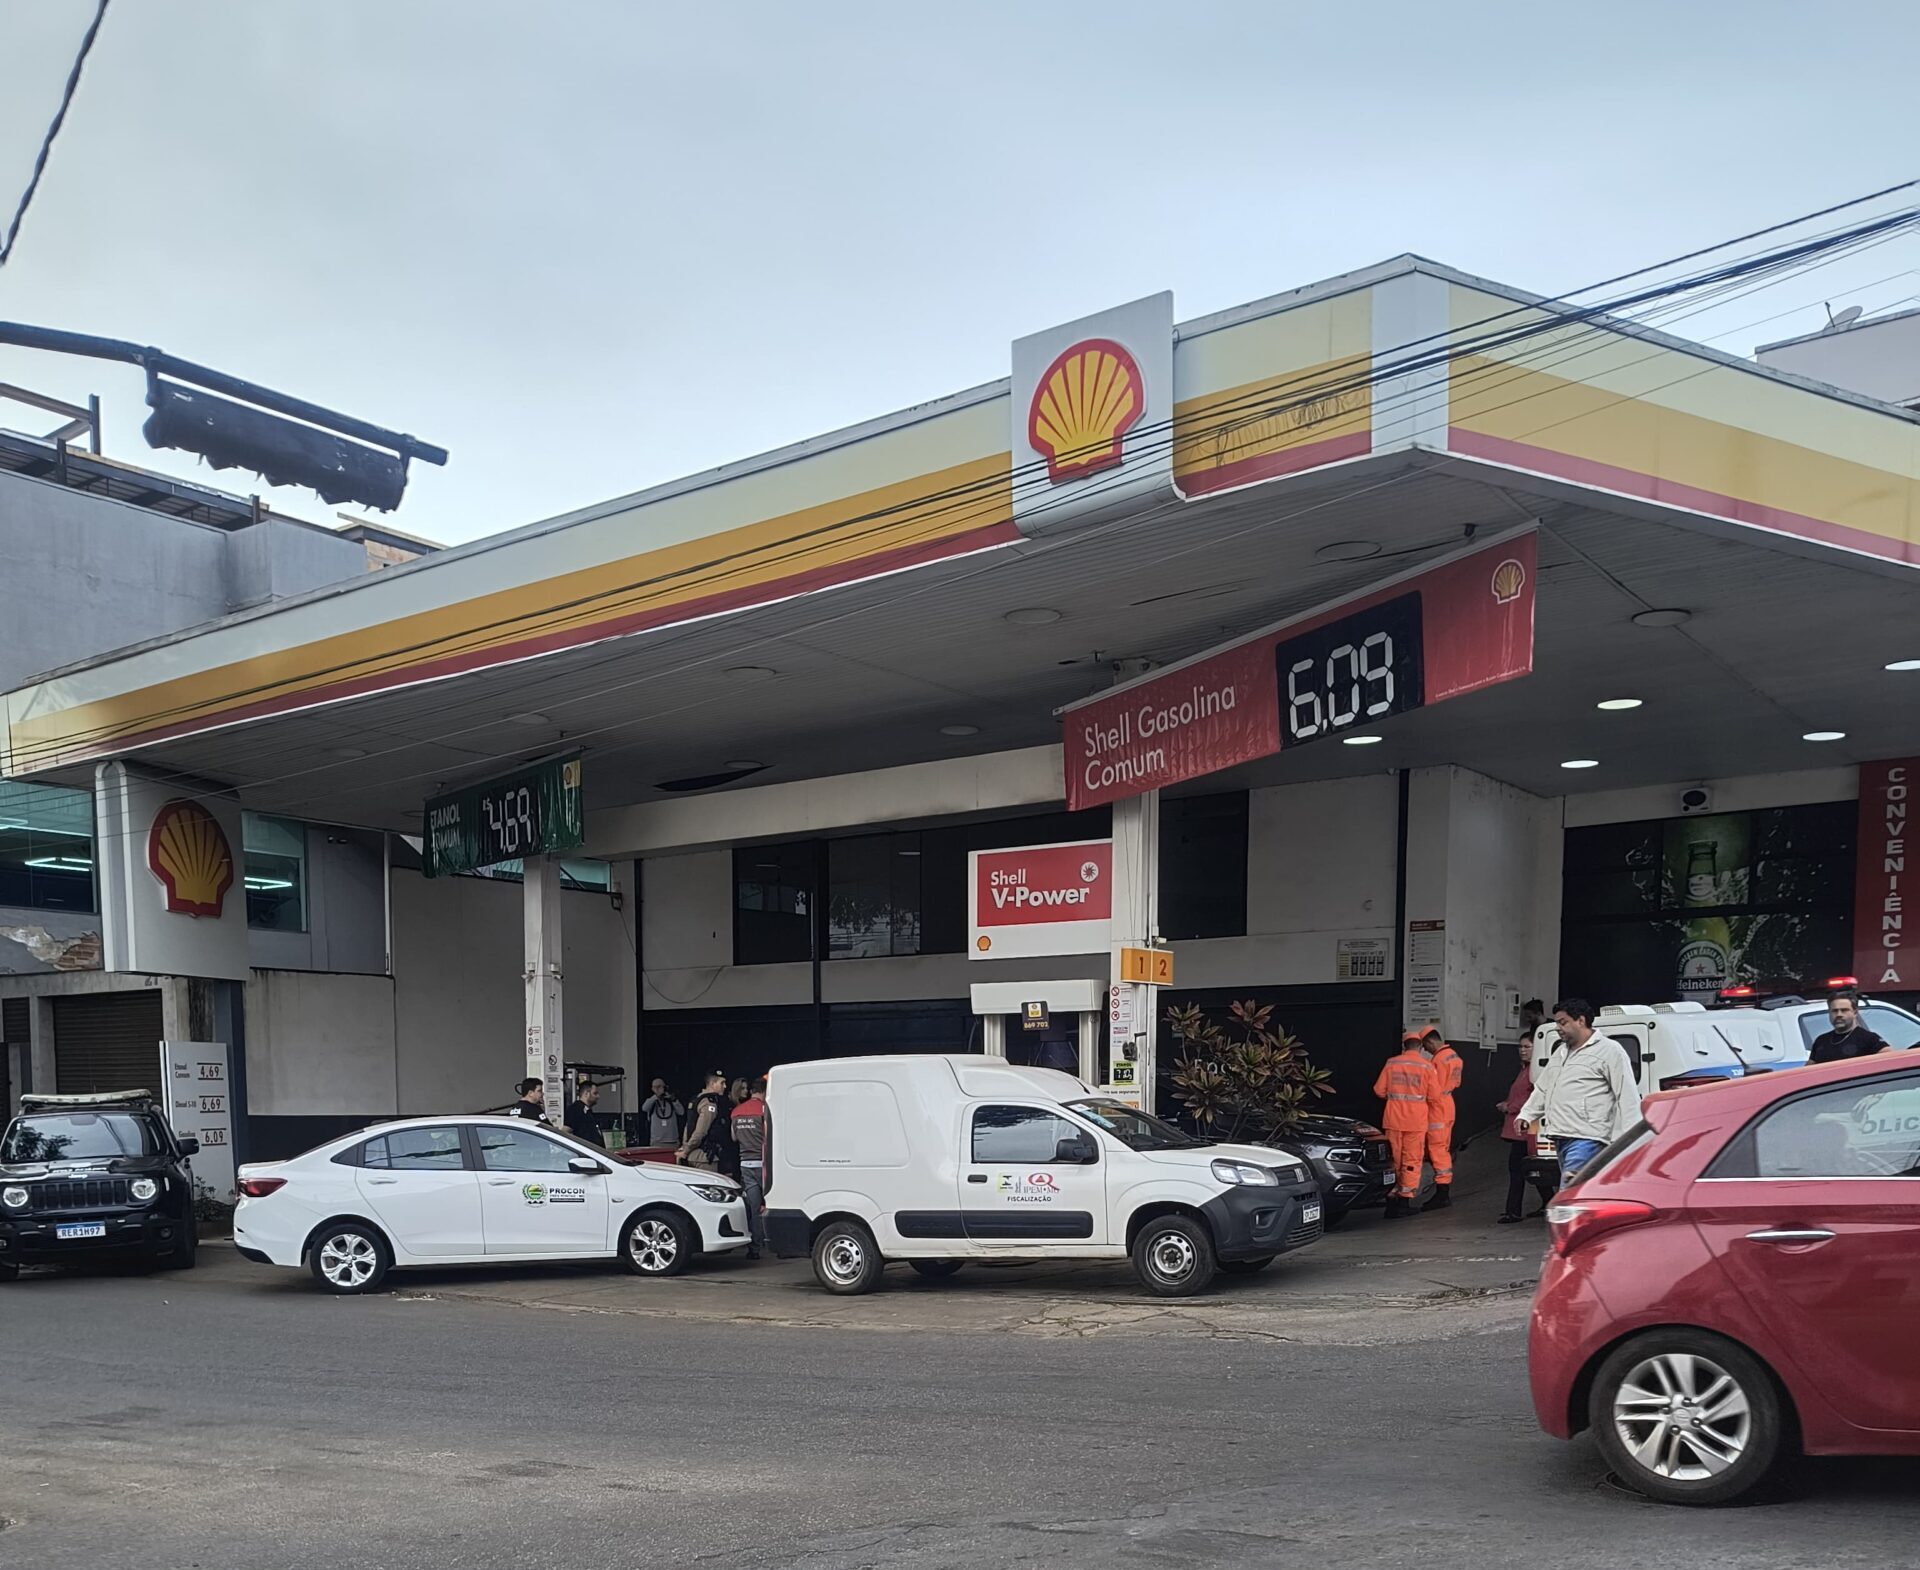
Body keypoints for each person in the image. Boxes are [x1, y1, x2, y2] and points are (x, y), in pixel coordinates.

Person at [1517, 997, 1641, 1183]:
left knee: (1570, 1191)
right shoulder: (1560, 1052)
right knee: (1581, 1190)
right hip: (1560, 1136)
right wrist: (1526, 1114)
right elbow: (1543, 1088)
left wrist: (1634, 1140)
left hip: (1587, 1138)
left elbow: (1627, 1094)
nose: (1557, 1028)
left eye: (1563, 1022)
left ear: (1581, 1021)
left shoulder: (1610, 1051)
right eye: (1557, 1023)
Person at [1374, 1030, 1442, 1220]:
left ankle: (1391, 1201)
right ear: (1420, 1046)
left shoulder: (1391, 1063)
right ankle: (1404, 1202)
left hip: (1393, 1120)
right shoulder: (1427, 1066)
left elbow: (1379, 1090)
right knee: (1411, 1161)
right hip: (1415, 1122)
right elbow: (1435, 1096)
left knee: (1393, 1161)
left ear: (1404, 1046)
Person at [1496, 1041, 1556, 1223]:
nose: (1522, 1050)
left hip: (1525, 1128)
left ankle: (1513, 1211)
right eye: (1520, 1047)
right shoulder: (1525, 1070)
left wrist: (1509, 1107)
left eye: (1527, 1046)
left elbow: (1530, 1099)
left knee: (1517, 1169)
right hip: (1522, 1128)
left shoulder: (1533, 1072)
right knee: (1530, 1167)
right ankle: (1549, 1203)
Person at [1421, 1027, 1461, 1211]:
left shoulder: (1437, 1060)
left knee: (1437, 1150)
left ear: (1430, 1042)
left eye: (1425, 1046)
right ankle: (1443, 1191)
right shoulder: (1453, 1055)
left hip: (1437, 1108)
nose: (1425, 1050)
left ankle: (1442, 1193)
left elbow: (1432, 1088)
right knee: (1442, 1147)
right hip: (1448, 1104)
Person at [731, 1076, 769, 1260]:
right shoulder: (764, 1110)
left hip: (745, 1164)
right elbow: (770, 1136)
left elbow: (734, 1137)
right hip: (764, 1165)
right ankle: (777, 1243)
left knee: (753, 1209)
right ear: (764, 1092)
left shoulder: (736, 1111)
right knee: (773, 1205)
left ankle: (754, 1248)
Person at [1808, 990, 1891, 1063]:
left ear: (1855, 1012)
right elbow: (1808, 1071)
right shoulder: (1821, 1041)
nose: (1839, 1014)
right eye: (1834, 1011)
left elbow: (1890, 1060)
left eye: (1844, 1010)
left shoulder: (1869, 1039)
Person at [678, 1071, 736, 1171]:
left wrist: (685, 1147)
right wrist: (686, 1150)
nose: (725, 1086)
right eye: (722, 1083)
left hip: (693, 1154)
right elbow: (701, 1131)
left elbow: (688, 1127)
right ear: (712, 1084)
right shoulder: (709, 1102)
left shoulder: (697, 1098)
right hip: (704, 1156)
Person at [642, 1078, 684, 1149]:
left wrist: (673, 1100)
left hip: (672, 1141)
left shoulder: (671, 1100)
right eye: (655, 1087)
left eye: (659, 1086)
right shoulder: (652, 1101)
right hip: (657, 1141)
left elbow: (681, 1112)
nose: (657, 1089)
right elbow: (644, 1108)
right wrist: (656, 1096)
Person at [565, 1080, 605, 1148]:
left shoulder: (588, 1110)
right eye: (595, 1093)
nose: (598, 1096)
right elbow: (566, 1131)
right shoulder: (575, 1109)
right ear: (586, 1094)